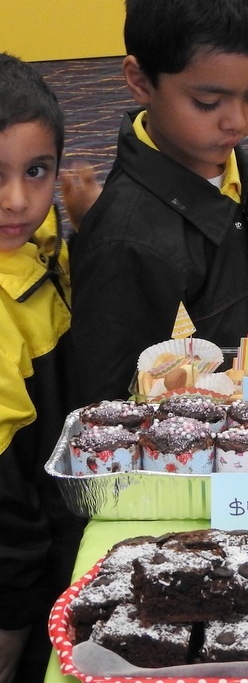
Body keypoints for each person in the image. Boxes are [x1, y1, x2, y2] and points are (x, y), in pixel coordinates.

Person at [70, 0, 248, 404]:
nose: (237, 121)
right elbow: (108, 401)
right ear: (139, 81)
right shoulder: (128, 242)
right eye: (208, 103)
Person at [0, 53, 84, 683]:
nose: (17, 201)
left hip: (51, 514)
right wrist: (15, 611)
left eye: (38, 171)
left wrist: (79, 230)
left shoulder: (37, 240)